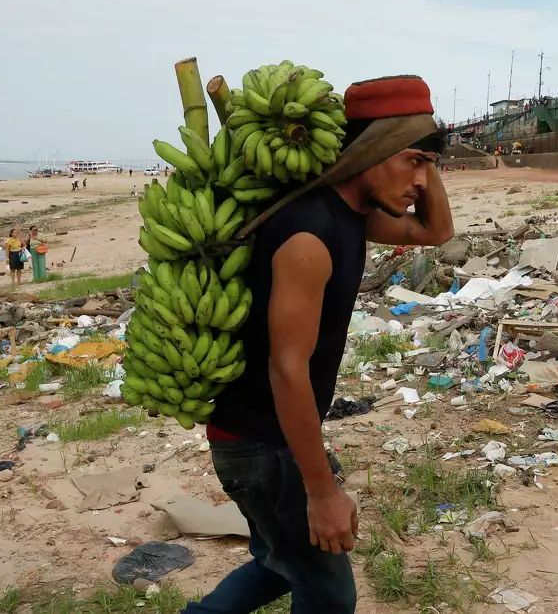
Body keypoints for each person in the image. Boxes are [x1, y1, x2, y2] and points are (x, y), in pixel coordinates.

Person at [185, 76, 453, 614]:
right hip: (261, 441)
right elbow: (287, 369)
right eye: (412, 161)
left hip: (266, 436)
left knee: (277, 564)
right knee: (330, 594)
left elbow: (435, 233)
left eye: (428, 165)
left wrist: (427, 159)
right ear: (371, 152)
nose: (422, 181)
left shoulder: (351, 215)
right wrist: (323, 491)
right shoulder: (309, 236)